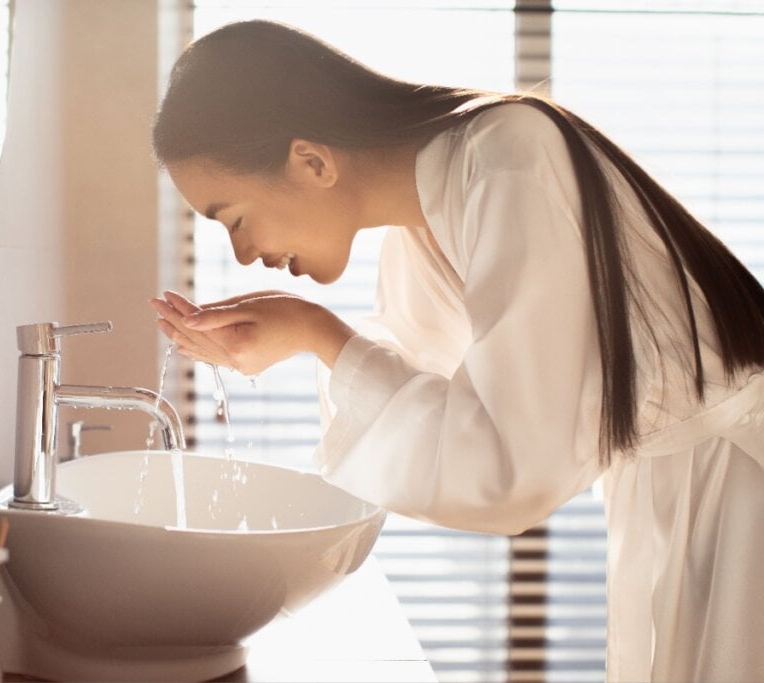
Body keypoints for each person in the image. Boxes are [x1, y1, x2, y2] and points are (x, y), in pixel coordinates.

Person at [148, 19, 764, 683]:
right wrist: (304, 338)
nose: (243, 254)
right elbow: (432, 410)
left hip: (738, 490)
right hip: (680, 496)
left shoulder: (510, 157)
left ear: (313, 161)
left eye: (233, 217)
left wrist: (318, 331)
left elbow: (509, 468)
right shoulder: (424, 226)